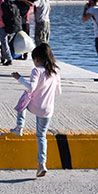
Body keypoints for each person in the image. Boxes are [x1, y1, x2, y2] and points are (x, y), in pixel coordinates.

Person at [9, 43, 62, 178]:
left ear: (37, 59)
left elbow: (31, 87)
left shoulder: (37, 71)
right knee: (41, 136)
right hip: (48, 110)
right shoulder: (55, 72)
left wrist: (19, 78)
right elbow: (58, 92)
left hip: (35, 106)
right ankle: (41, 164)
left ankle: (19, 126)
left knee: (24, 99)